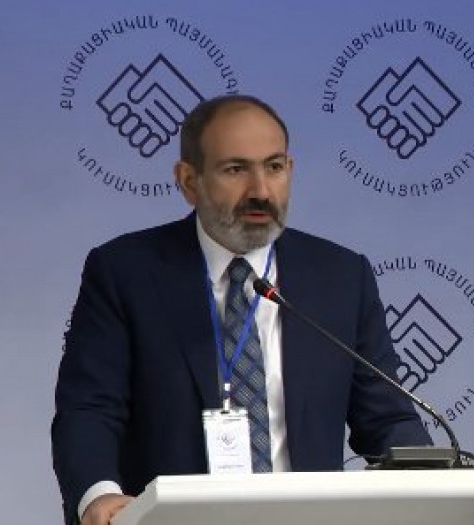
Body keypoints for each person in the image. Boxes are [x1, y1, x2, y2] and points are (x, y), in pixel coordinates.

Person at [51, 95, 432, 525]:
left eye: (274, 167)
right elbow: (89, 410)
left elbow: (386, 418)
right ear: (188, 180)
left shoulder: (341, 277)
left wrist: (432, 479)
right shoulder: (126, 273)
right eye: (236, 170)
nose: (261, 192)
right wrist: (99, 495)